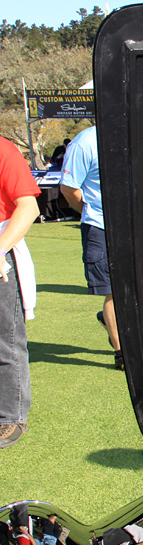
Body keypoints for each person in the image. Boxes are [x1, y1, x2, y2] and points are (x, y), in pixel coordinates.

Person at [60, 126, 123, 370]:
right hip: (100, 227)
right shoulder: (85, 142)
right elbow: (69, 188)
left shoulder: (138, 131)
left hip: (136, 228)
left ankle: (113, 325)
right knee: (114, 292)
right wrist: (89, 211)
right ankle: (122, 355)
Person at [0, 137, 39, 449]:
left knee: (6, 339)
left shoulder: (3, 150)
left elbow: (28, 207)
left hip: (2, 248)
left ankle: (11, 418)